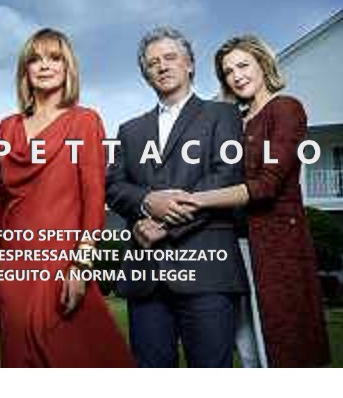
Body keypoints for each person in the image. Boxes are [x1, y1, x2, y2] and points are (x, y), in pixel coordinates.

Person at [0, 28, 135, 367]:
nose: (45, 66)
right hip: (12, 265)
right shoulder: (7, 127)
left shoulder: (85, 121)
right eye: (35, 59)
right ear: (24, 71)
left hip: (61, 260)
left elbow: (94, 198)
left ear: (68, 68)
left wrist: (81, 263)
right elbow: (2, 201)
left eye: (55, 58)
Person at [105, 26, 248, 367]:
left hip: (207, 273)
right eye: (152, 63)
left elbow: (225, 175)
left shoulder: (223, 115)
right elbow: (114, 186)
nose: (162, 66)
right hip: (147, 278)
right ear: (146, 75)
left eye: (170, 57)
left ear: (190, 64)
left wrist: (164, 222)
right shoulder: (129, 130)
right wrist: (144, 207)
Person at [186, 34, 330, 367]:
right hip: (234, 244)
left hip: (278, 246)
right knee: (246, 344)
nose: (236, 76)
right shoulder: (231, 121)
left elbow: (266, 185)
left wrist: (196, 200)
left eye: (242, 65)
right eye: (227, 71)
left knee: (283, 345)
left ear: (262, 64)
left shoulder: (286, 108)